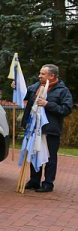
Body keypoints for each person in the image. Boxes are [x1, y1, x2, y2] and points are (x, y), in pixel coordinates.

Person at [21, 64, 73, 192]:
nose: (39, 76)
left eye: (42, 74)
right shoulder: (35, 87)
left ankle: (48, 183)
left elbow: (66, 109)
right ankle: (34, 180)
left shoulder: (62, 91)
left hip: (51, 130)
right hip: (34, 128)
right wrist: (17, 87)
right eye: (40, 73)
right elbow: (24, 94)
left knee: (50, 157)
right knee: (34, 154)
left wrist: (48, 104)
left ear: (52, 76)